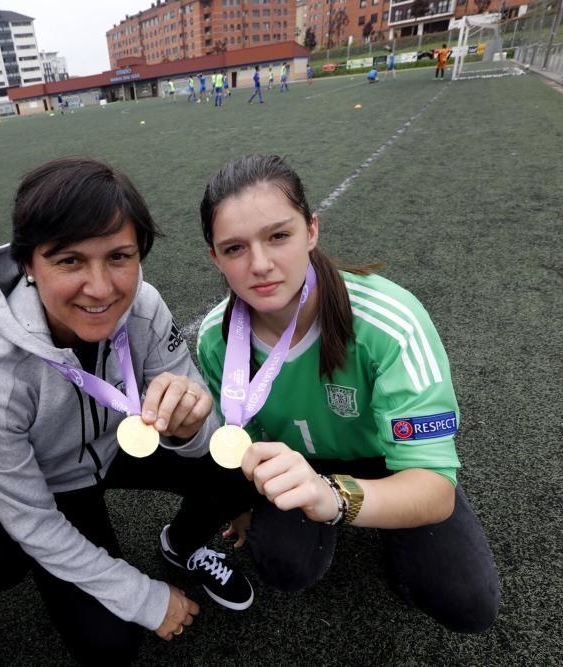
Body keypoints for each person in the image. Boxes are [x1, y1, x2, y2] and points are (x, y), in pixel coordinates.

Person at [0, 157, 255, 665]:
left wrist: (189, 431)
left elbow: (207, 426)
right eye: (69, 261)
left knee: (241, 467)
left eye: (119, 257)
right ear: (29, 264)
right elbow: (31, 520)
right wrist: (143, 596)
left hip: (121, 445)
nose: (100, 288)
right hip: (54, 486)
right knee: (110, 644)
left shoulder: (145, 305)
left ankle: (180, 545)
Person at [195, 154, 501, 634]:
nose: (260, 265)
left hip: (391, 462)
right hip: (295, 465)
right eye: (234, 248)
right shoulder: (216, 337)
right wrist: (241, 503)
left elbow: (434, 488)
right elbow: (241, 441)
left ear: (311, 230)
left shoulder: (389, 323)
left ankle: (387, 527)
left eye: (279, 236)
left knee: (466, 602)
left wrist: (335, 497)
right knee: (283, 565)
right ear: (215, 258)